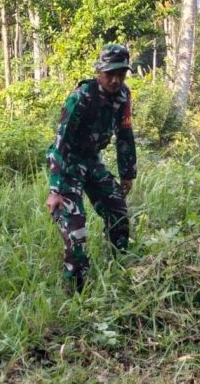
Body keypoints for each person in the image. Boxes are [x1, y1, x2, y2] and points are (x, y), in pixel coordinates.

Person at [45, 44, 137, 293]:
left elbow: (125, 135)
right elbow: (60, 143)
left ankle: (121, 270)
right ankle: (77, 292)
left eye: (121, 73)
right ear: (99, 72)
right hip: (69, 163)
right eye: (110, 74)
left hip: (92, 161)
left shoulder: (123, 96)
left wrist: (128, 174)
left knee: (118, 212)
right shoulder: (82, 96)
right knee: (76, 229)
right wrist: (55, 189)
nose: (116, 80)